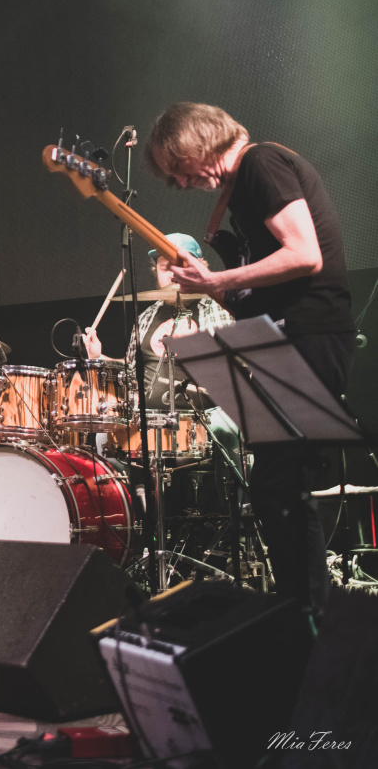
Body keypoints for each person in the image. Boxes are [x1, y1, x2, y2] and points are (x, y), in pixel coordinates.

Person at [145, 102, 355, 617]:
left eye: (177, 167)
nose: (180, 181)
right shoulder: (241, 188)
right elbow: (256, 292)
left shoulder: (260, 163)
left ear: (193, 143)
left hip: (310, 333)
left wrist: (216, 280)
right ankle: (305, 615)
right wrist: (211, 287)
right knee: (278, 486)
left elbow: (305, 254)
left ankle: (307, 619)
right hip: (289, 334)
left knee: (278, 484)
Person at [82, 232, 241, 469]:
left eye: (178, 266)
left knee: (229, 427)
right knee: (105, 437)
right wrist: (98, 356)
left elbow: (237, 366)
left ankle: (239, 503)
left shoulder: (217, 307)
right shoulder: (147, 317)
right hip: (148, 416)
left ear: (199, 267)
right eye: (164, 267)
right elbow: (129, 368)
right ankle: (132, 502)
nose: (171, 274)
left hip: (208, 413)